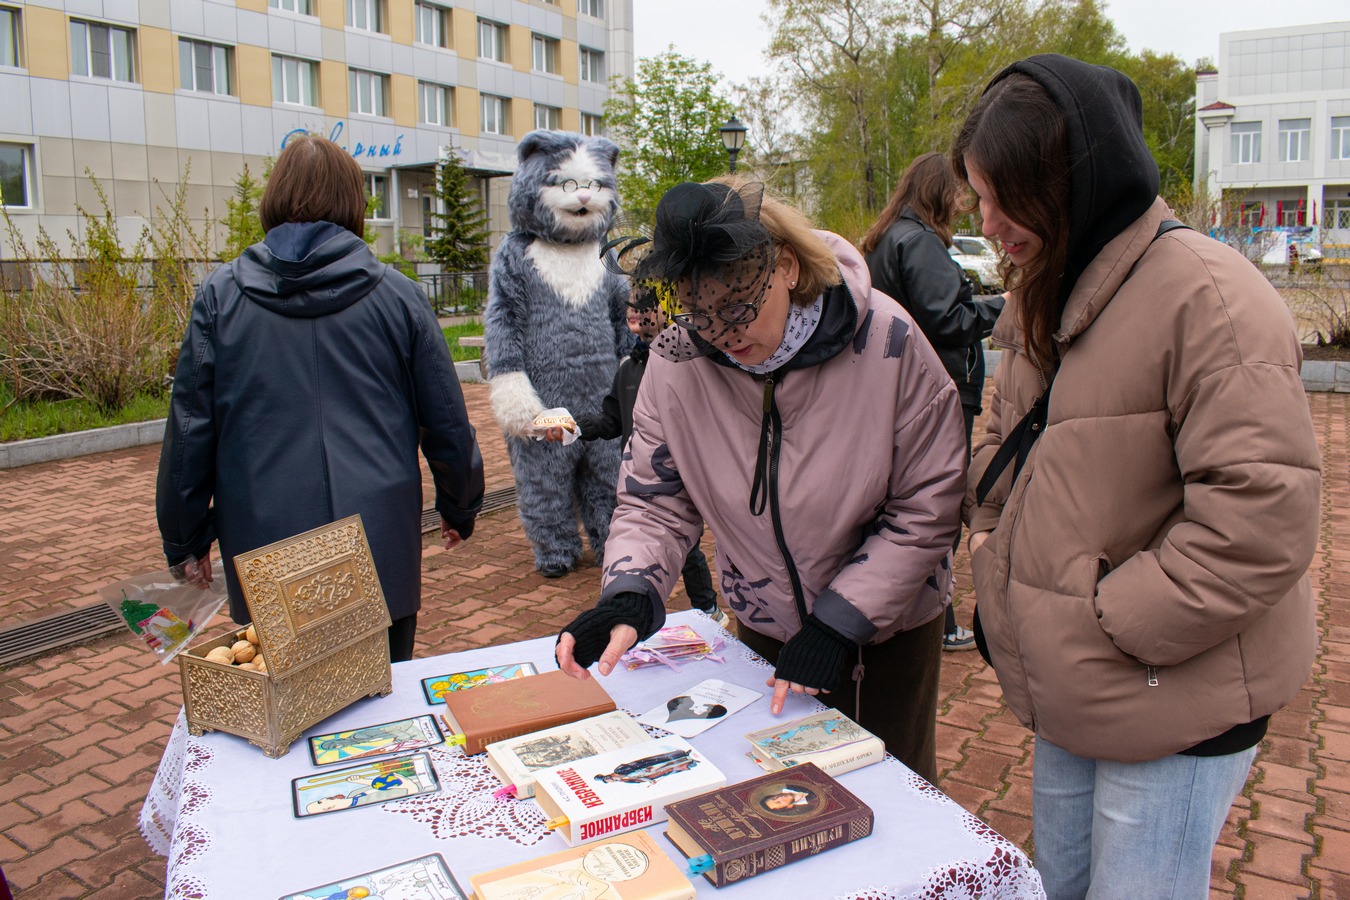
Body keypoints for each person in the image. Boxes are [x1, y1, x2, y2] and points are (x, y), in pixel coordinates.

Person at [955, 55, 1320, 898]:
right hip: (1075, 680)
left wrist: (1110, 618)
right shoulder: (1047, 290)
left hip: (1172, 687)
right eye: (979, 195)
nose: (989, 221)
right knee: (1064, 886)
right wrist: (991, 546)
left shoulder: (1211, 297)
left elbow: (1260, 521)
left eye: (1004, 195)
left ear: (1072, 184)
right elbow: (1005, 443)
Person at [554, 178, 967, 784]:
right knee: (774, 796)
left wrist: (839, 621)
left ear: (788, 268)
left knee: (889, 788)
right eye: (699, 315)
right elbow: (655, 502)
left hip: (885, 633)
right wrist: (629, 594)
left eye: (739, 309)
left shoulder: (889, 341)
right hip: (764, 624)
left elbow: (927, 508)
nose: (725, 335)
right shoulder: (675, 363)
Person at [156, 135, 485, 663]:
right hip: (377, 536)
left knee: (279, 703)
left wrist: (185, 537)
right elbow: (445, 417)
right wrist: (459, 504)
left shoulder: (220, 297)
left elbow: (191, 430)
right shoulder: (398, 296)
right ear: (353, 204)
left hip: (266, 541)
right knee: (381, 709)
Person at [860, 151, 1006, 652]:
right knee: (935, 503)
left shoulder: (883, 238)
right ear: (939, 191)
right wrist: (1004, 307)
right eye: (961, 191)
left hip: (894, 386)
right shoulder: (918, 241)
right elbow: (950, 320)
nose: (966, 202)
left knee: (899, 498)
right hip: (937, 386)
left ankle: (902, 605)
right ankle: (937, 619)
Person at [540, 266, 728, 627]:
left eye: (646, 310)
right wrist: (573, 426)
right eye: (631, 313)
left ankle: (707, 608)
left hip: (682, 472)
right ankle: (638, 604)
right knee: (643, 540)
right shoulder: (629, 368)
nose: (638, 318)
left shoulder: (692, 362)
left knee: (685, 545)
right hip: (640, 475)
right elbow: (611, 419)